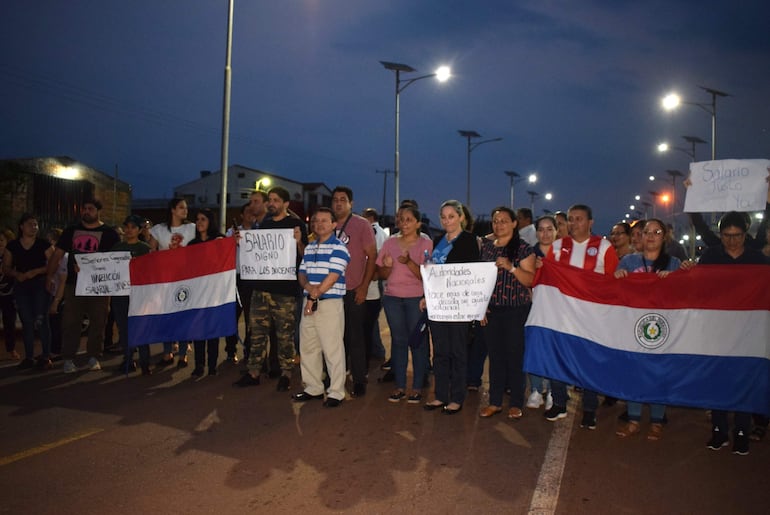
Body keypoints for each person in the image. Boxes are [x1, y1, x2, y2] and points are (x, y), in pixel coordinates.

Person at [687, 211, 770, 455]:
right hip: (718, 330)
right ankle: (719, 431)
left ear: (746, 234)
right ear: (720, 235)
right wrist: (687, 271)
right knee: (719, 380)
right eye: (726, 236)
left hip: (748, 332)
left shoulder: (758, 260)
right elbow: (697, 285)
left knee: (744, 381)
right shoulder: (712, 256)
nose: (732, 241)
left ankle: (742, 432)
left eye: (737, 236)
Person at [542, 204, 618, 429]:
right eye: (571, 219)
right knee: (558, 358)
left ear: (590, 223)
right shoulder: (557, 246)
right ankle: (559, 402)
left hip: (591, 318)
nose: (574, 223)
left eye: (579, 219)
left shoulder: (604, 247)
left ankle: (589, 408)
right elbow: (548, 278)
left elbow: (612, 282)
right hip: (562, 315)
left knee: (589, 362)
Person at [613, 219, 681, 441]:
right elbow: (613, 288)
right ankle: (633, 419)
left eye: (656, 232)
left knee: (658, 373)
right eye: (646, 232)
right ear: (640, 236)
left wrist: (678, 277)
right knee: (635, 371)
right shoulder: (629, 261)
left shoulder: (673, 263)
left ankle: (656, 421)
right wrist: (618, 277)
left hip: (662, 327)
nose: (650, 236)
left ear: (665, 237)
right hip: (633, 327)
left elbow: (687, 291)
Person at [235, 187, 308, 390]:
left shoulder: (296, 224)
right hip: (261, 288)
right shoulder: (263, 225)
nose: (272, 203)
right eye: (270, 200)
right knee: (256, 332)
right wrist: (242, 243)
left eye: (276, 200)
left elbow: (305, 254)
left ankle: (286, 372)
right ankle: (254, 371)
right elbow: (255, 253)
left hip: (285, 291)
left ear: (286, 204)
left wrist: (299, 241)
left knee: (284, 334)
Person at [47, 199, 121, 373]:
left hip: (99, 285)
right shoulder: (71, 230)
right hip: (75, 284)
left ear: (98, 211)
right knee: (71, 322)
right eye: (84, 209)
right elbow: (57, 254)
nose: (86, 211)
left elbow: (116, 259)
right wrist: (49, 276)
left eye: (90, 209)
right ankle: (68, 358)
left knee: (98, 321)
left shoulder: (109, 233)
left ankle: (94, 356)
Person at [478, 207, 536, 419]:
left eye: (504, 221)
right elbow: (480, 281)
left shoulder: (523, 248)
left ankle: (516, 402)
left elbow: (530, 280)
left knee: (514, 356)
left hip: (516, 310)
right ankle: (494, 401)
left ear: (514, 223)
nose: (499, 224)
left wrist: (511, 268)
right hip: (493, 310)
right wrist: (480, 307)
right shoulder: (486, 248)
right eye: (495, 221)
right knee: (495, 357)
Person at [423, 200, 480, 414]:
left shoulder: (469, 240)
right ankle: (440, 395)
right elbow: (432, 273)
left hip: (459, 306)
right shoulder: (438, 240)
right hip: (438, 305)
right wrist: (425, 295)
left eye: (451, 216)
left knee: (458, 351)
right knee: (440, 352)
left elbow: (472, 275)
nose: (447, 220)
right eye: (444, 217)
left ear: (461, 217)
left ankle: (457, 397)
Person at [293, 207, 350, 407]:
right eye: (316, 221)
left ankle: (336, 391)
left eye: (324, 221)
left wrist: (313, 296)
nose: (319, 224)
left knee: (332, 348)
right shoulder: (309, 247)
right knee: (308, 347)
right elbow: (301, 274)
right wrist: (308, 288)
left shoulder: (339, 248)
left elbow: (333, 277)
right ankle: (313, 388)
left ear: (334, 224)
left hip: (329, 304)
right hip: (310, 301)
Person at [376, 204, 432, 404]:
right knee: (398, 341)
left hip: (415, 298)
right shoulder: (390, 242)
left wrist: (408, 262)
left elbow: (427, 276)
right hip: (392, 298)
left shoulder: (425, 244)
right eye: (400, 218)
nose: (403, 223)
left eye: (409, 219)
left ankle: (417, 387)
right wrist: (388, 268)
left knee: (417, 341)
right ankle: (399, 386)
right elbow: (380, 273)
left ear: (418, 223)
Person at [331, 186, 377, 397]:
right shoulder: (326, 224)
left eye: (343, 200)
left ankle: (359, 379)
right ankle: (334, 376)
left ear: (351, 203)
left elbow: (372, 256)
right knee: (333, 336)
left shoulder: (361, 225)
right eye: (335, 200)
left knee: (356, 336)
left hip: (353, 289)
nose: (338, 203)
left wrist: (363, 286)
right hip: (330, 291)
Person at [147, 197, 196, 367]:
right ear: (173, 210)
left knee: (183, 316)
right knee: (166, 315)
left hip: (185, 279)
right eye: (182, 207)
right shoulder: (159, 230)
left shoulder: (192, 228)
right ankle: (167, 351)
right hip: (165, 281)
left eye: (186, 208)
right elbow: (150, 252)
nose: (185, 211)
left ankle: (183, 353)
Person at [4, 215, 53, 370]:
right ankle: (29, 357)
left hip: (39, 283)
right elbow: (5, 267)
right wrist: (16, 274)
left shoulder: (43, 244)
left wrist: (36, 271)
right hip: (22, 285)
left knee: (41, 319)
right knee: (26, 322)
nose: (34, 227)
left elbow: (53, 263)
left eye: (36, 225)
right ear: (21, 227)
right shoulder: (12, 246)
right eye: (30, 224)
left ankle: (46, 357)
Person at [111, 215, 152, 375]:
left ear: (139, 230)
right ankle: (127, 360)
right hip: (120, 294)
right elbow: (106, 269)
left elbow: (150, 271)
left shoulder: (144, 248)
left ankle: (145, 362)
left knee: (141, 326)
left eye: (133, 227)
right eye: (127, 227)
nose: (129, 230)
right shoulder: (116, 248)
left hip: (139, 294)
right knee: (124, 328)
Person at [188, 209, 225, 377]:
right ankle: (199, 365)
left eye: (203, 219)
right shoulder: (192, 244)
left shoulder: (219, 240)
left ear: (210, 221)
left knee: (212, 331)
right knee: (198, 330)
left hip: (214, 293)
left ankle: (212, 365)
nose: (199, 222)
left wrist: (223, 244)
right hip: (197, 294)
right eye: (197, 219)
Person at [526, 215, 557, 410]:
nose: (545, 233)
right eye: (541, 229)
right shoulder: (529, 254)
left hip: (559, 311)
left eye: (549, 229)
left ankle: (554, 390)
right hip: (535, 309)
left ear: (556, 231)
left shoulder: (564, 254)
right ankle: (536, 390)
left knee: (555, 351)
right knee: (535, 349)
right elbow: (525, 280)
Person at [225, 203, 258, 363]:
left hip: (253, 278)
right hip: (236, 278)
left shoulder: (260, 231)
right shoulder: (232, 232)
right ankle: (231, 351)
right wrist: (232, 242)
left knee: (251, 317)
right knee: (232, 315)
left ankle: (249, 349)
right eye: (248, 212)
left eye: (253, 212)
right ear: (242, 215)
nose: (251, 214)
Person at [362, 207, 388, 365]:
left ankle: (376, 350)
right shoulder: (383, 232)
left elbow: (374, 255)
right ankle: (376, 350)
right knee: (372, 318)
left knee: (370, 318)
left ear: (370, 217)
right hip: (378, 279)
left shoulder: (373, 231)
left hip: (374, 278)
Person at [0, 229, 19, 361]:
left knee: (9, 323)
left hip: (9, 293)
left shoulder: (13, 256)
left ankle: (11, 349)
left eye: (1, 240)